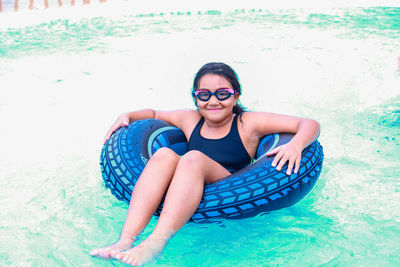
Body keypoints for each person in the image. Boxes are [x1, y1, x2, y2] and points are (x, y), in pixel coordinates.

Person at [89, 62, 320, 266]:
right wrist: (126, 115)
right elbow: (153, 113)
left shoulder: (248, 123)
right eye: (204, 95)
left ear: (236, 95)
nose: (213, 101)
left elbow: (308, 123)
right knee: (163, 155)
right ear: (195, 97)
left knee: (192, 158)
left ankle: (155, 243)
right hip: (188, 179)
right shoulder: (190, 119)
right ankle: (124, 240)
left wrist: (295, 145)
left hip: (229, 183)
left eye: (223, 93)